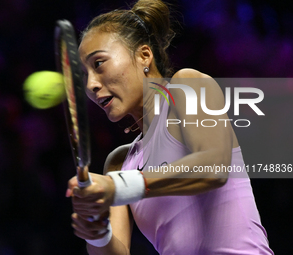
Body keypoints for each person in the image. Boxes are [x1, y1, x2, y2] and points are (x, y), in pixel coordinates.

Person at [67, 0, 274, 254]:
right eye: (84, 74)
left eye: (98, 63)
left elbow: (214, 168)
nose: (91, 85)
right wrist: (97, 234)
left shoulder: (188, 84)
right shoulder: (119, 164)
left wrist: (119, 187)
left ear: (144, 55)